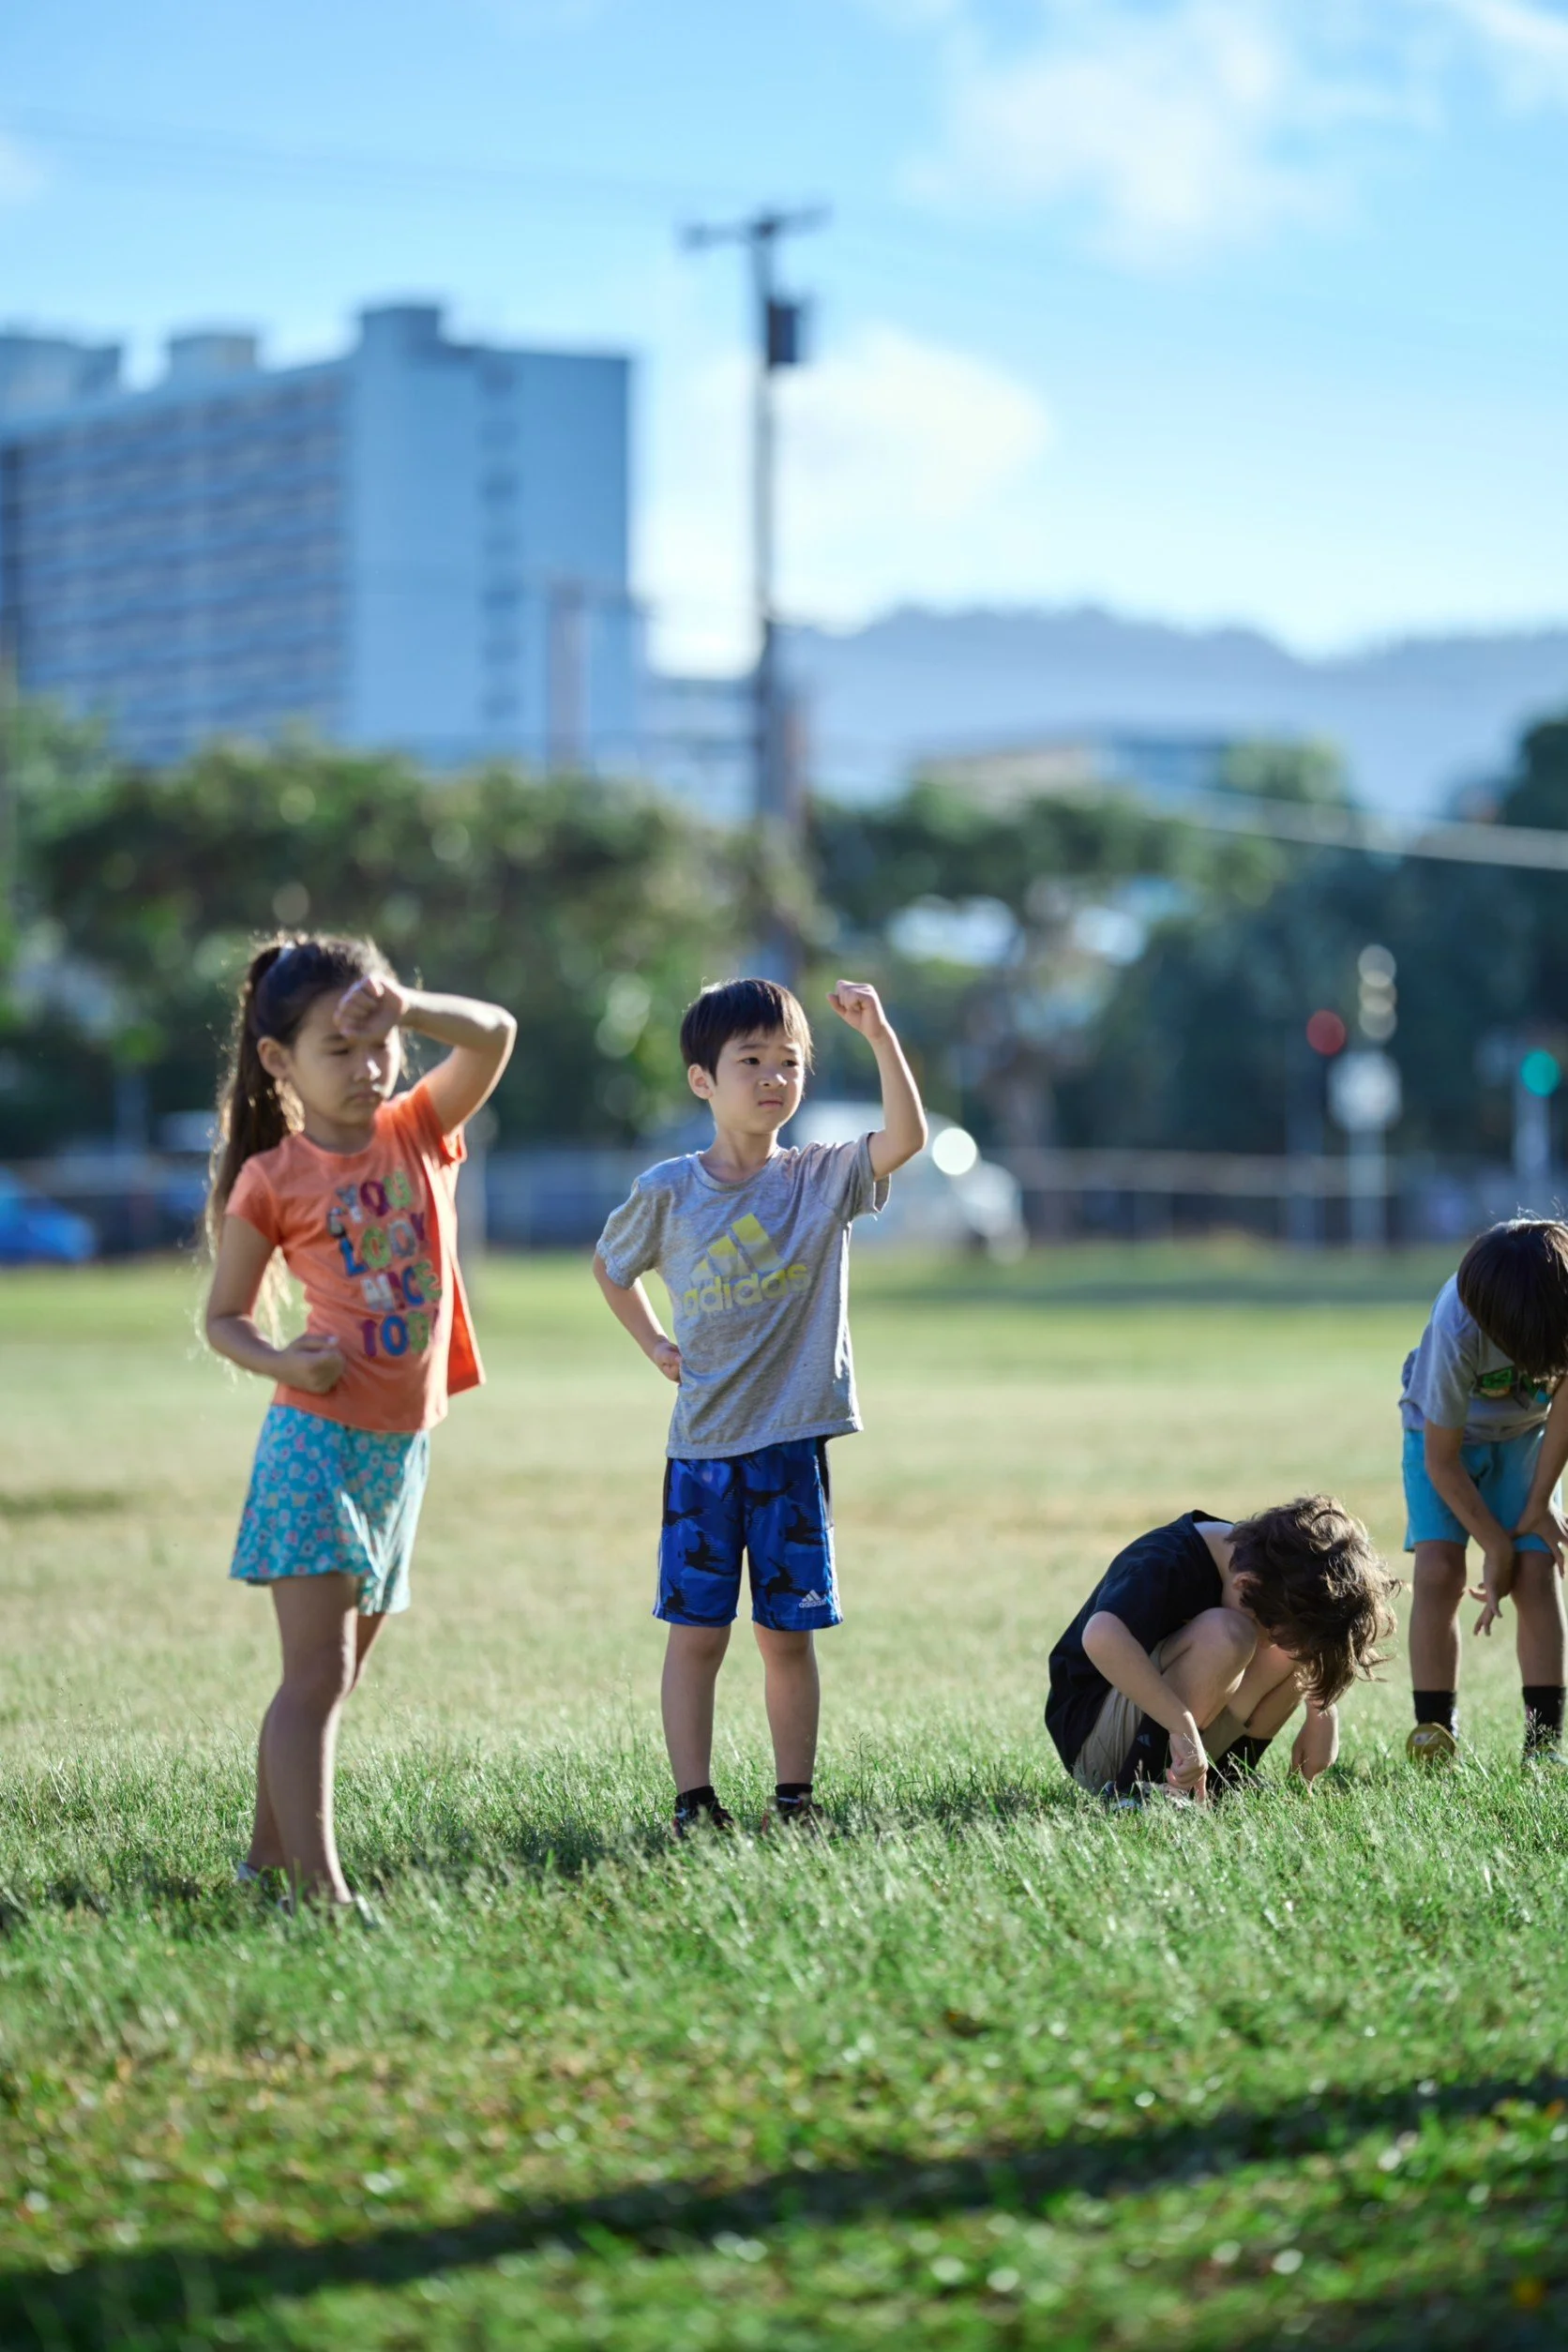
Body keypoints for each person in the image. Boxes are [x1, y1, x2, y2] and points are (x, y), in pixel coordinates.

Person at [204, 935, 515, 1912]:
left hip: (401, 1453)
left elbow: (496, 1033)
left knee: (327, 1685)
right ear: (277, 1062)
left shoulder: (417, 1129)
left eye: (374, 1042)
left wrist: (404, 1004)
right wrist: (282, 1359)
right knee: (315, 1679)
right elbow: (224, 1319)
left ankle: (262, 1869)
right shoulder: (271, 1179)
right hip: (317, 1448)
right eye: (336, 1049)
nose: (367, 1065)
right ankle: (323, 1895)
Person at [594, 975, 927, 1835]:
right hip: (703, 1450)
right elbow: (611, 1266)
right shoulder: (670, 1189)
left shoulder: (820, 1179)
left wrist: (880, 1034)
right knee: (698, 1635)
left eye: (790, 1062)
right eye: (751, 1060)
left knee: (788, 1636)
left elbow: (906, 1137)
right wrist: (653, 1342)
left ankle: (795, 1799)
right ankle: (693, 1802)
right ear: (703, 1079)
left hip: (790, 1447)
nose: (774, 1077)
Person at [1046, 1498, 1397, 1803]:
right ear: (1246, 1585)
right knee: (1227, 1634)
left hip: (1175, 1733)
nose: (1272, 1645)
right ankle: (1135, 1794)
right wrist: (1181, 1726)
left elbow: (1303, 1642)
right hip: (1096, 1741)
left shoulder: (1265, 1567)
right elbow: (1101, 1637)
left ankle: (1222, 1783)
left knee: (1293, 1648)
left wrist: (1322, 1708)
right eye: (1271, 1632)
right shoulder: (1168, 1559)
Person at [1400, 1219, 1568, 1769]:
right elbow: (1440, 1460)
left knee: (1538, 1570)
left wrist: (1539, 1503)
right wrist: (1494, 1544)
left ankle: (1544, 1747)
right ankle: (1435, 1734)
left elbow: (1564, 1406)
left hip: (1527, 1437)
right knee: (1439, 1572)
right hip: (1444, 1438)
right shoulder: (1459, 1324)